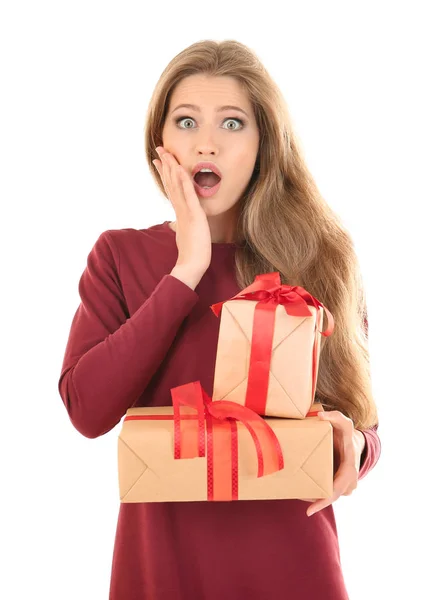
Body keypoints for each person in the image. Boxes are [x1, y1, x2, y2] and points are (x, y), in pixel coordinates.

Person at [58, 40, 381, 600]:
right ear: (161, 145)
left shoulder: (320, 258)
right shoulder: (119, 257)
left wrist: (357, 449)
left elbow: (360, 421)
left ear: (263, 145)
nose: (207, 142)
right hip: (163, 573)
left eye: (233, 123)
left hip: (294, 569)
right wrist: (187, 270)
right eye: (186, 121)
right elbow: (88, 411)